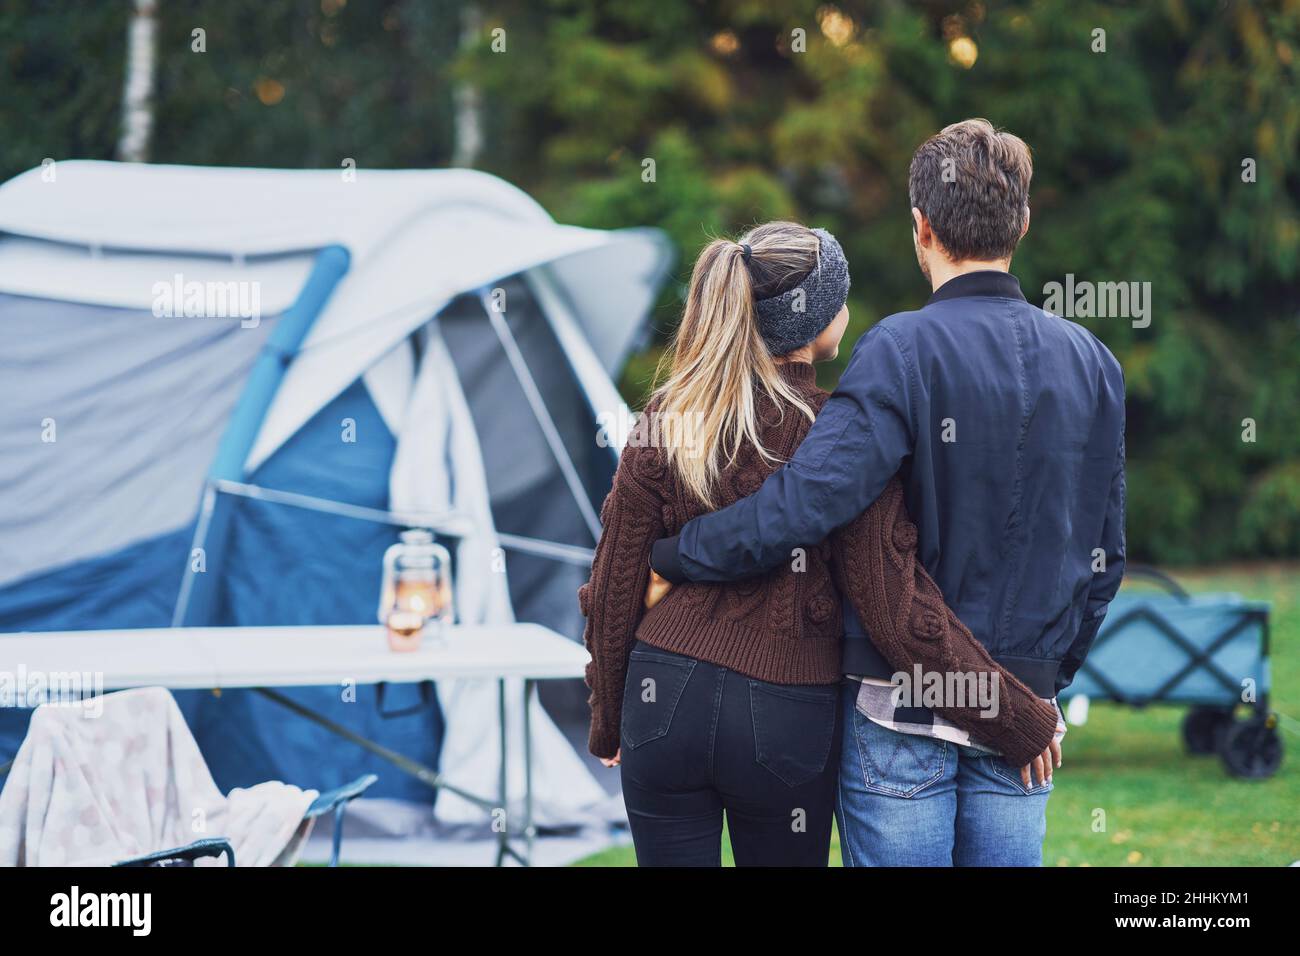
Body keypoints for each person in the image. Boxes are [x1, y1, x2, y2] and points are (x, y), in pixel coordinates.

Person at [649, 120, 1127, 867]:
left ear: (920, 228)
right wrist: (1036, 682)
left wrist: (679, 554)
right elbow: (1107, 556)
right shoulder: (1094, 362)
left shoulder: (900, 349)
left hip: (898, 710)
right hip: (1022, 704)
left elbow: (804, 504)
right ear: (1023, 223)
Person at [578, 220, 1058, 867]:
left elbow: (613, 585)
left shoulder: (667, 416)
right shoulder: (844, 435)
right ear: (820, 320)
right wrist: (1015, 719)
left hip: (660, 700)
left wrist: (609, 714)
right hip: (783, 718)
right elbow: (898, 616)